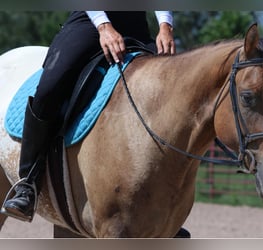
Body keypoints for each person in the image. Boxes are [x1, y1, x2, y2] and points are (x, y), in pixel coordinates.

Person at [1, 11, 175, 222]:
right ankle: (27, 183)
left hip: (137, 27)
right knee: (49, 88)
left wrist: (166, 26)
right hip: (91, 23)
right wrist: (104, 27)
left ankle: (166, 206)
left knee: (169, 94)